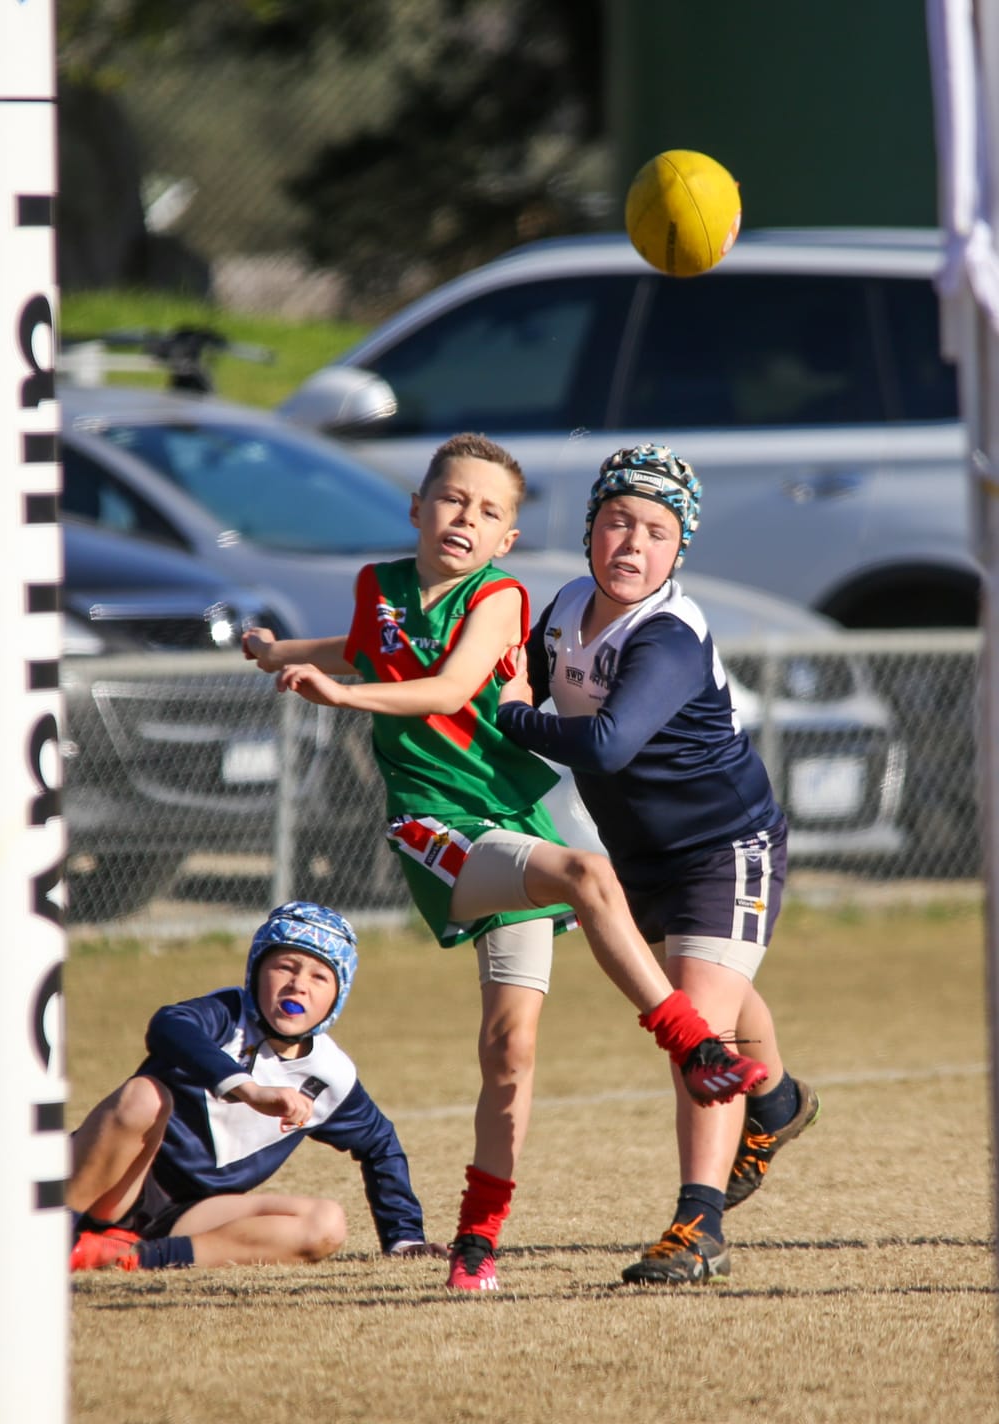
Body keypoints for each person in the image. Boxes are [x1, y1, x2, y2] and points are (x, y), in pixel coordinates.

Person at [242, 432, 766, 1295]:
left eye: (489, 512)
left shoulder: (502, 598)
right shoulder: (381, 589)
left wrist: (342, 698)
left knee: (509, 1051)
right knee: (590, 876)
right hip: (434, 826)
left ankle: (476, 1248)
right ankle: (693, 1043)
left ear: (507, 540)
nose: (466, 518)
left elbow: (448, 689)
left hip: (508, 822)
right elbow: (371, 651)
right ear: (416, 508)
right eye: (452, 500)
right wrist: (285, 656)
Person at [495, 443, 820, 1287]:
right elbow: (503, 685)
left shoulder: (669, 632)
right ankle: (778, 1104)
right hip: (639, 860)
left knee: (696, 1030)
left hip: (725, 847)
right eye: (617, 523)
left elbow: (607, 744)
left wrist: (514, 718)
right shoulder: (565, 607)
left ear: (681, 551)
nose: (632, 546)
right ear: (589, 531)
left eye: (655, 532)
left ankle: (697, 1228)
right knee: (706, 986)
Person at [68, 901, 448, 1272]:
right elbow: (168, 1026)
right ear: (255, 972)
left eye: (320, 977)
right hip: (115, 1187)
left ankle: (130, 1255)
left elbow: (381, 1145)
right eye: (285, 967)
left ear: (337, 997)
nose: (298, 986)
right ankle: (52, 1234)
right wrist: (249, 1091)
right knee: (144, 1097)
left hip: (188, 1213)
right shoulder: (225, 1016)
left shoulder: (330, 1074)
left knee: (326, 1223)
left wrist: (404, 1237)